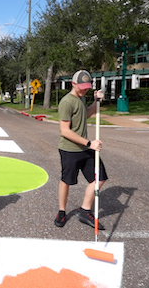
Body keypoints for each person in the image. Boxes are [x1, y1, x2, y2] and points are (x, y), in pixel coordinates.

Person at [54, 70, 108, 229]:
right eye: (82, 87)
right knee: (66, 181)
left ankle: (84, 210)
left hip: (85, 148)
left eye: (87, 87)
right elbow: (65, 131)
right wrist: (89, 143)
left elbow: (86, 115)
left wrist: (96, 102)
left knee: (100, 177)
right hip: (70, 149)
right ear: (73, 84)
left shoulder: (82, 98)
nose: (85, 90)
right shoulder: (66, 102)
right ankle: (62, 211)